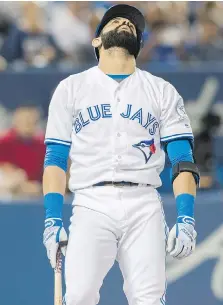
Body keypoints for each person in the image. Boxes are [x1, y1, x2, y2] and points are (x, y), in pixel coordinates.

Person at [43, 4, 200, 305]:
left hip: (143, 204)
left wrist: (186, 217)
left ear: (140, 44)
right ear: (96, 40)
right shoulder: (71, 88)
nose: (125, 23)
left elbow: (183, 160)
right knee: (79, 296)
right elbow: (56, 160)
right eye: (115, 20)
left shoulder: (162, 90)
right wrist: (51, 218)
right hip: (90, 201)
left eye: (132, 24)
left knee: (149, 299)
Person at [0, 104, 45, 197]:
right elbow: (5, 169)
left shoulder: (43, 144)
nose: (28, 125)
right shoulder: (4, 141)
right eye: (25, 121)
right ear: (16, 121)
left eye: (32, 122)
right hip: (9, 187)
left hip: (36, 189)